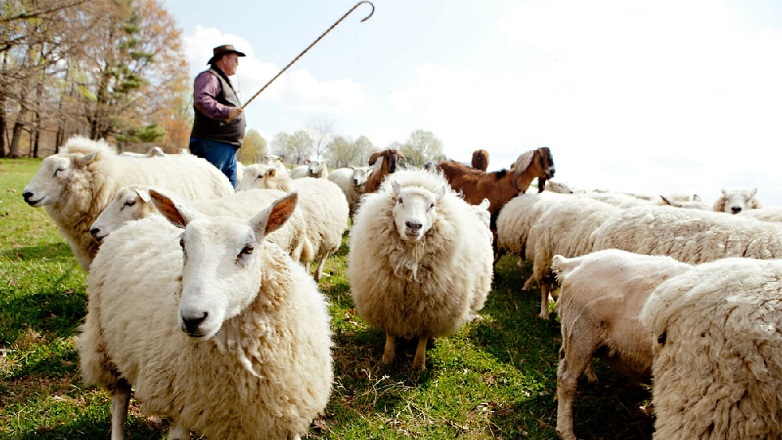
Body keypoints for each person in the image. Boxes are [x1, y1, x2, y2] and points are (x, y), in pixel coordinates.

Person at [189, 44, 247, 188]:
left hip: (226, 147)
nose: (237, 63)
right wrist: (227, 111)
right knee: (210, 189)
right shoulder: (209, 77)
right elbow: (202, 101)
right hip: (213, 144)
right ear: (225, 59)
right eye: (235, 59)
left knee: (227, 193)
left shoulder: (221, 80)